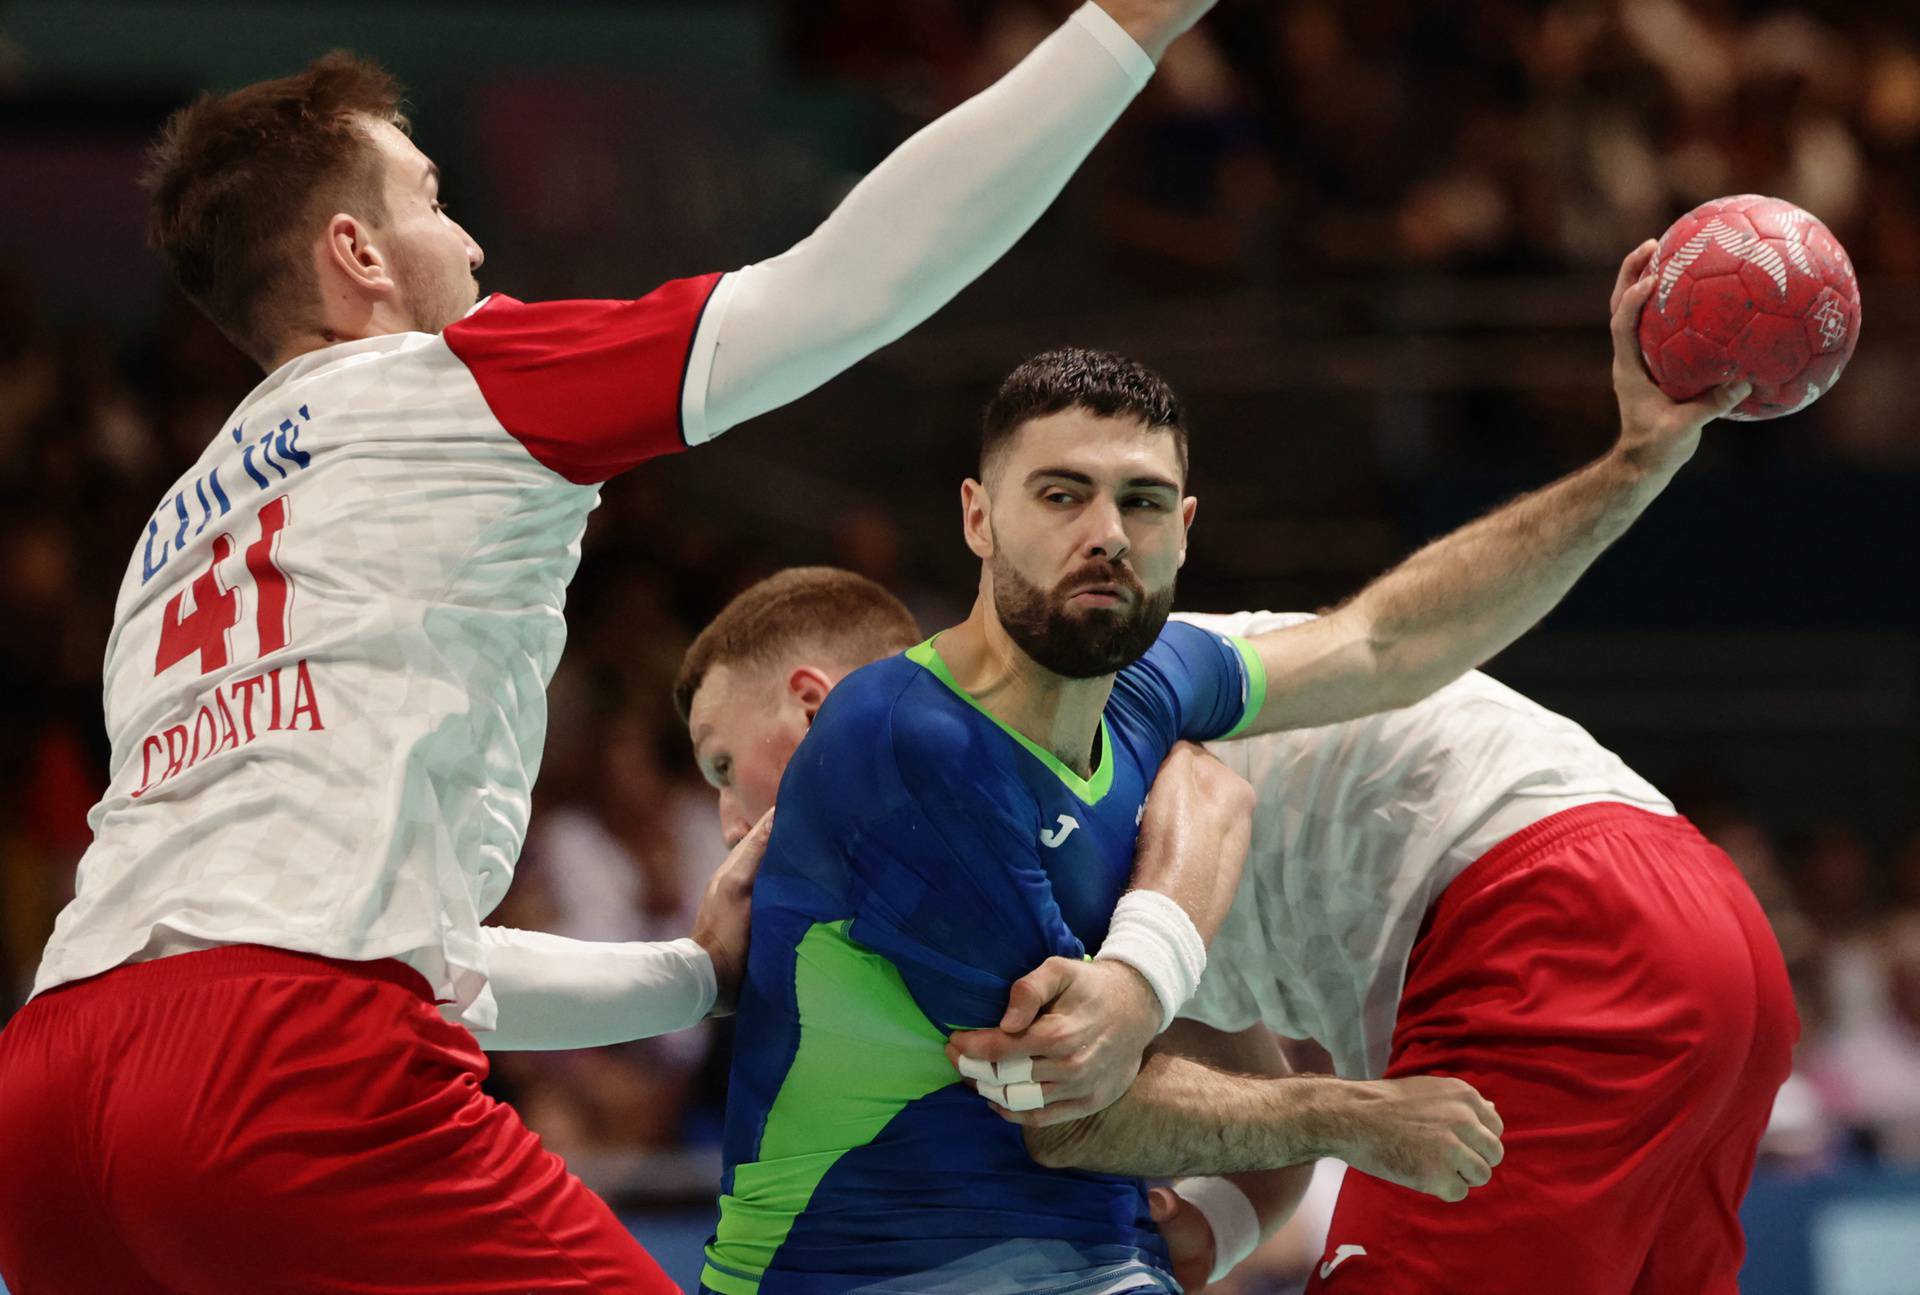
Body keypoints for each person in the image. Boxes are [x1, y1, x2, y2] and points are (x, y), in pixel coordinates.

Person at [0, 3, 1226, 1290]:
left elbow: (394, 953)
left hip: (50, 1093)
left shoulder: (170, 544)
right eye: (433, 198)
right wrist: (1120, 31)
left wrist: (694, 975)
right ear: (358, 251)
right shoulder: (458, 378)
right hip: (283, 1066)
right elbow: (853, 281)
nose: (470, 239)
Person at [682, 261, 1749, 1293]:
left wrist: (1634, 464)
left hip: (1544, 909)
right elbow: (1126, 1087)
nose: (1104, 533)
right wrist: (1251, 1184)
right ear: (976, 515)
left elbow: (1378, 648)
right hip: (1682, 918)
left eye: (1140, 502)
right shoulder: (930, 749)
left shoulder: (1140, 689)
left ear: (1184, 533)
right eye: (1061, 494)